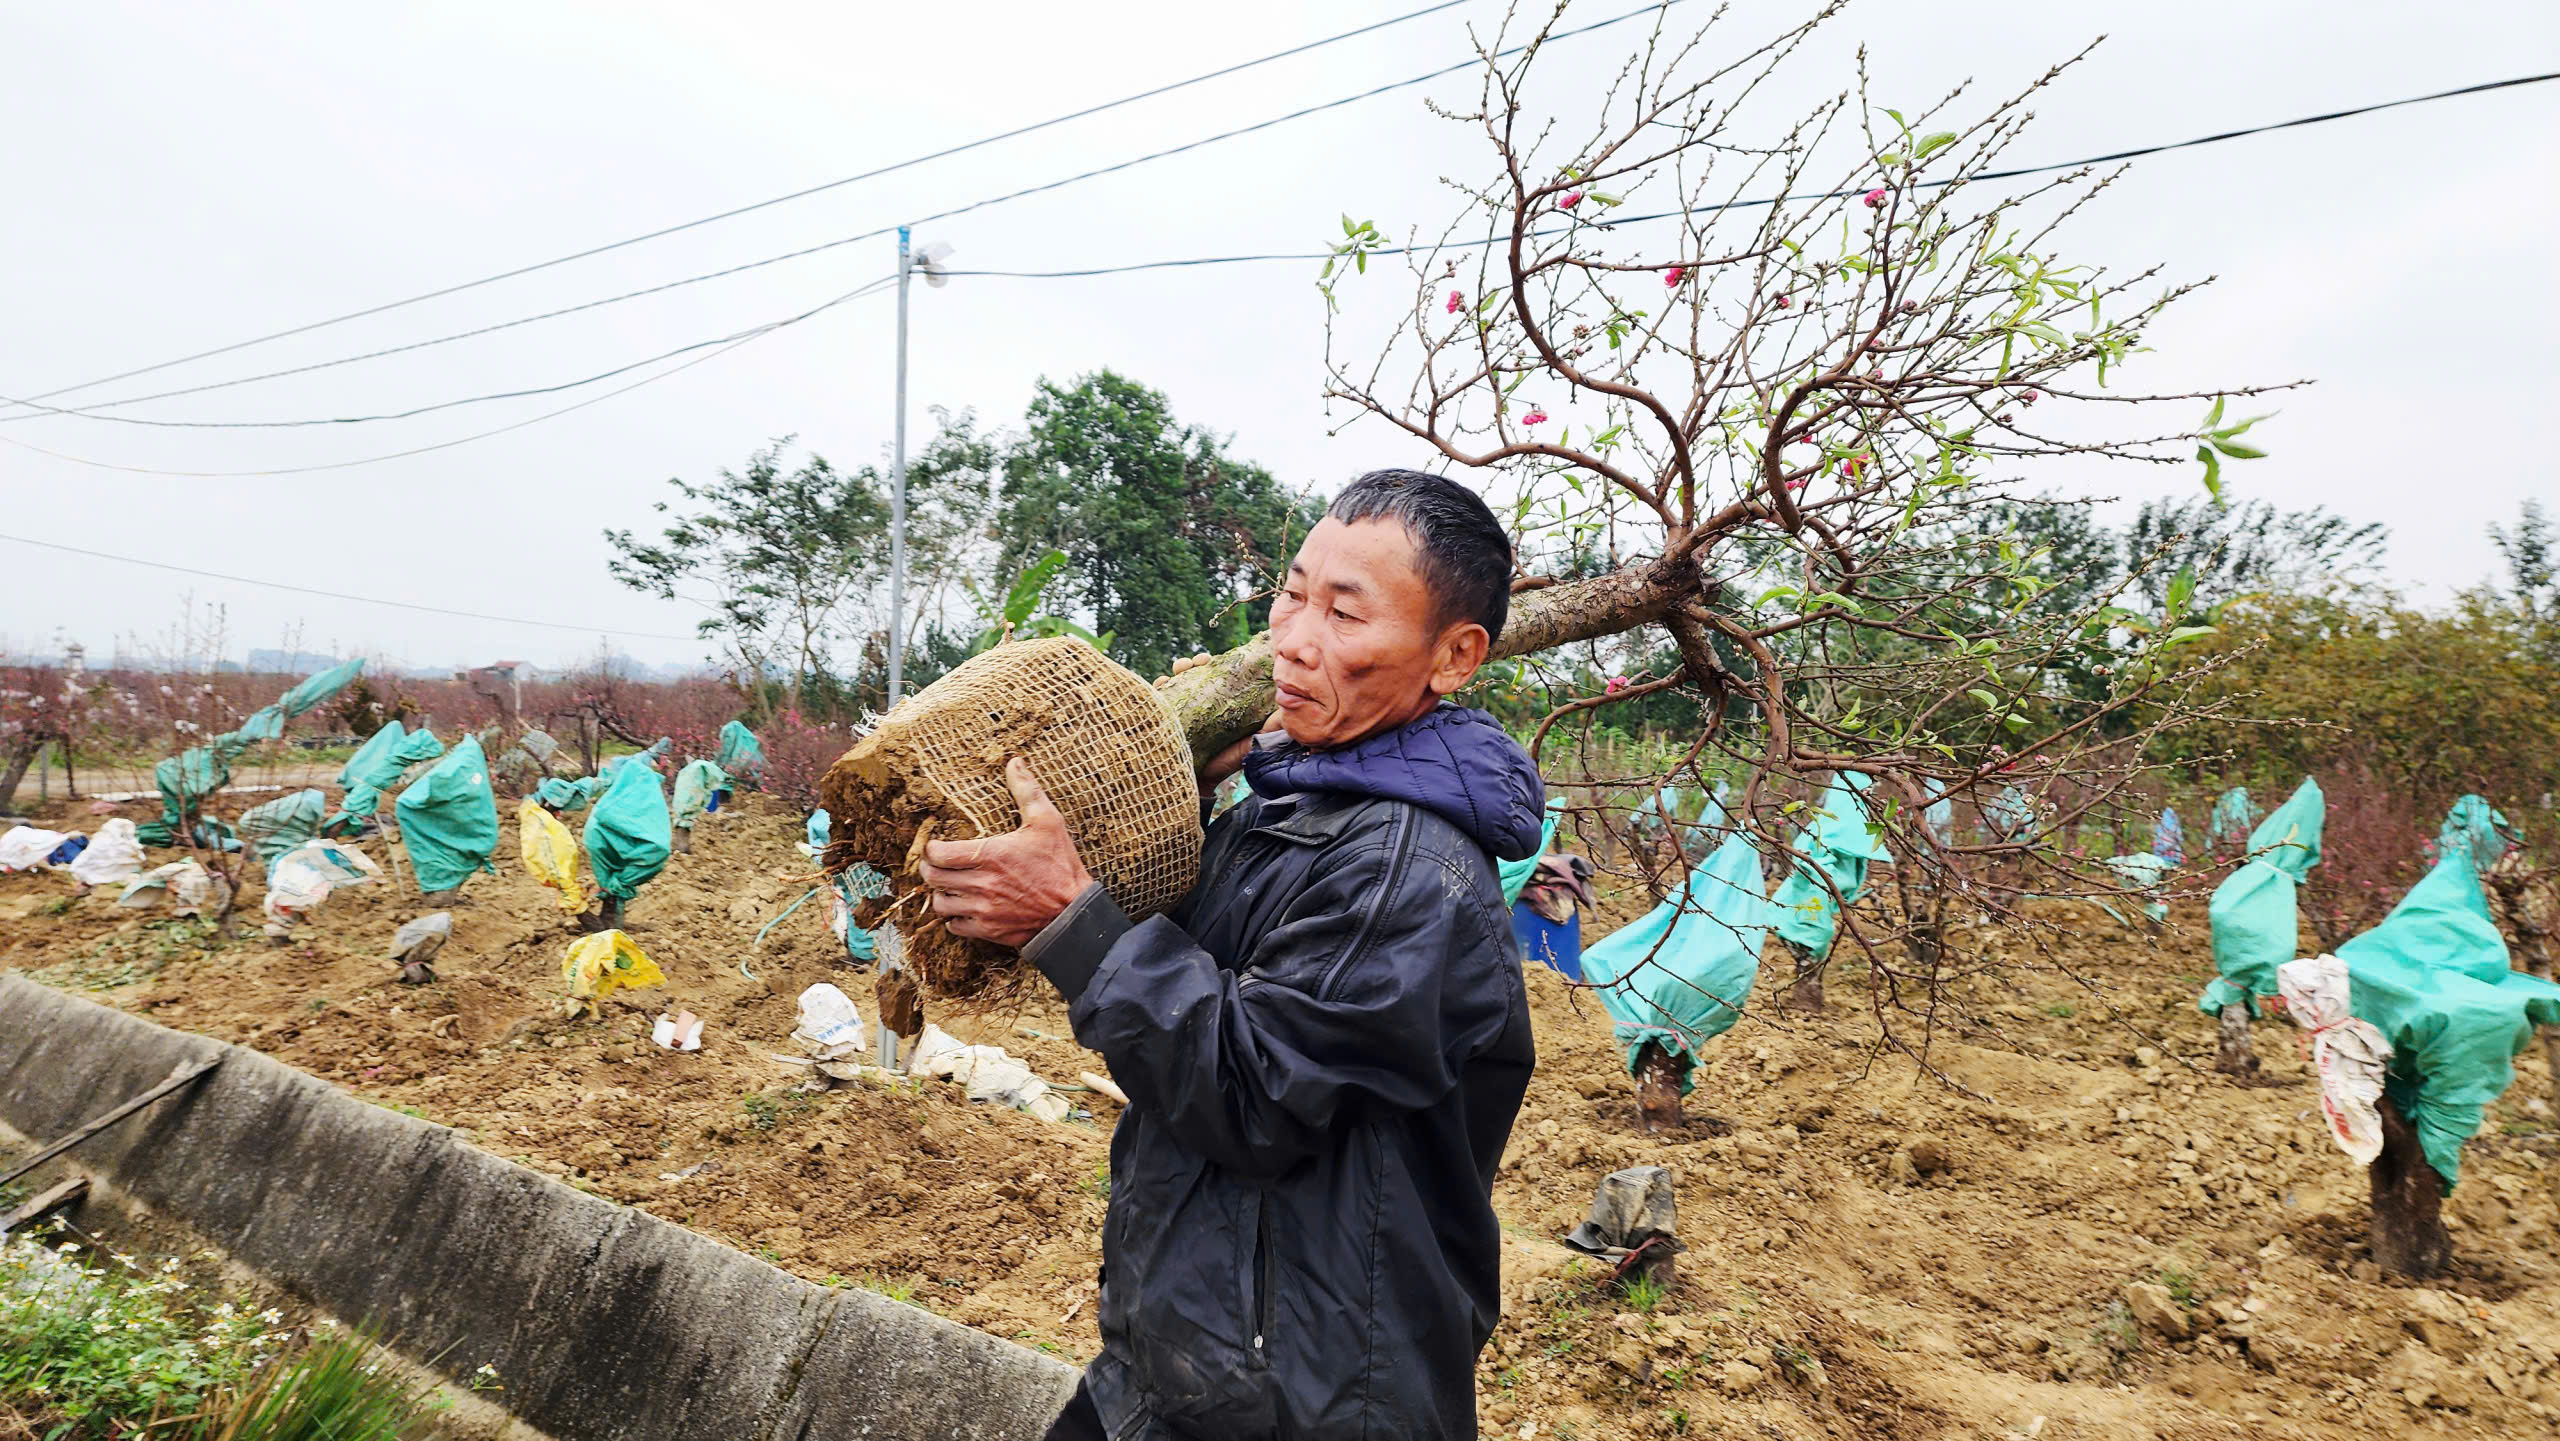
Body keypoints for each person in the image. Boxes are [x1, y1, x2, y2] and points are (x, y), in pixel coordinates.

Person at [918, 468, 1545, 1441]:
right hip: (1187, 1369)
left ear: (1454, 656)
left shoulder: (1405, 870)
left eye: (1345, 614)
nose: (1293, 637)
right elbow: (1201, 968)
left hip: (1308, 1402)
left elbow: (1253, 1091)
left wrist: (1071, 917)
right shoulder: (1300, 804)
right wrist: (1181, 798)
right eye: (1292, 594)